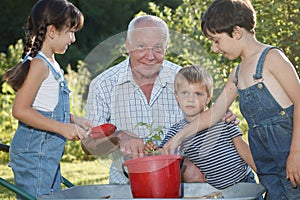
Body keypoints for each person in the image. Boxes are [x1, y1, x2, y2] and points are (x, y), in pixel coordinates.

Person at [163, 0, 300, 199]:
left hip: (292, 157)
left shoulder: (271, 58)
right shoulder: (236, 74)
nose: (214, 48)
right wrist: (178, 137)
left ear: (236, 32)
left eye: (216, 40)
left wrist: (296, 153)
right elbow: (215, 112)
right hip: (268, 168)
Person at [83, 14, 237, 184]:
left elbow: (206, 116)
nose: (150, 56)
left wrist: (221, 115)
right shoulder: (103, 85)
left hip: (183, 181)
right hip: (126, 184)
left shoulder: (184, 79)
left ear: (166, 47)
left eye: (157, 48)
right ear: (128, 46)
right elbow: (89, 145)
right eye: (141, 47)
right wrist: (117, 137)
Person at [3, 0, 92, 198]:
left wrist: (73, 119)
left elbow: (46, 107)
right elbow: (20, 110)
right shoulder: (39, 65)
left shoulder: (52, 63)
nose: (73, 39)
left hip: (46, 156)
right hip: (34, 156)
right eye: (70, 31)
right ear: (52, 31)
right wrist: (62, 128)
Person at [145, 65, 257, 189]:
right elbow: (165, 152)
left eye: (198, 94)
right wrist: (152, 151)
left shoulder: (221, 118)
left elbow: (241, 146)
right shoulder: (177, 130)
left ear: (208, 98)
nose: (190, 99)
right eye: (185, 93)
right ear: (176, 97)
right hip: (218, 190)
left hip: (244, 180)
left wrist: (262, 174)